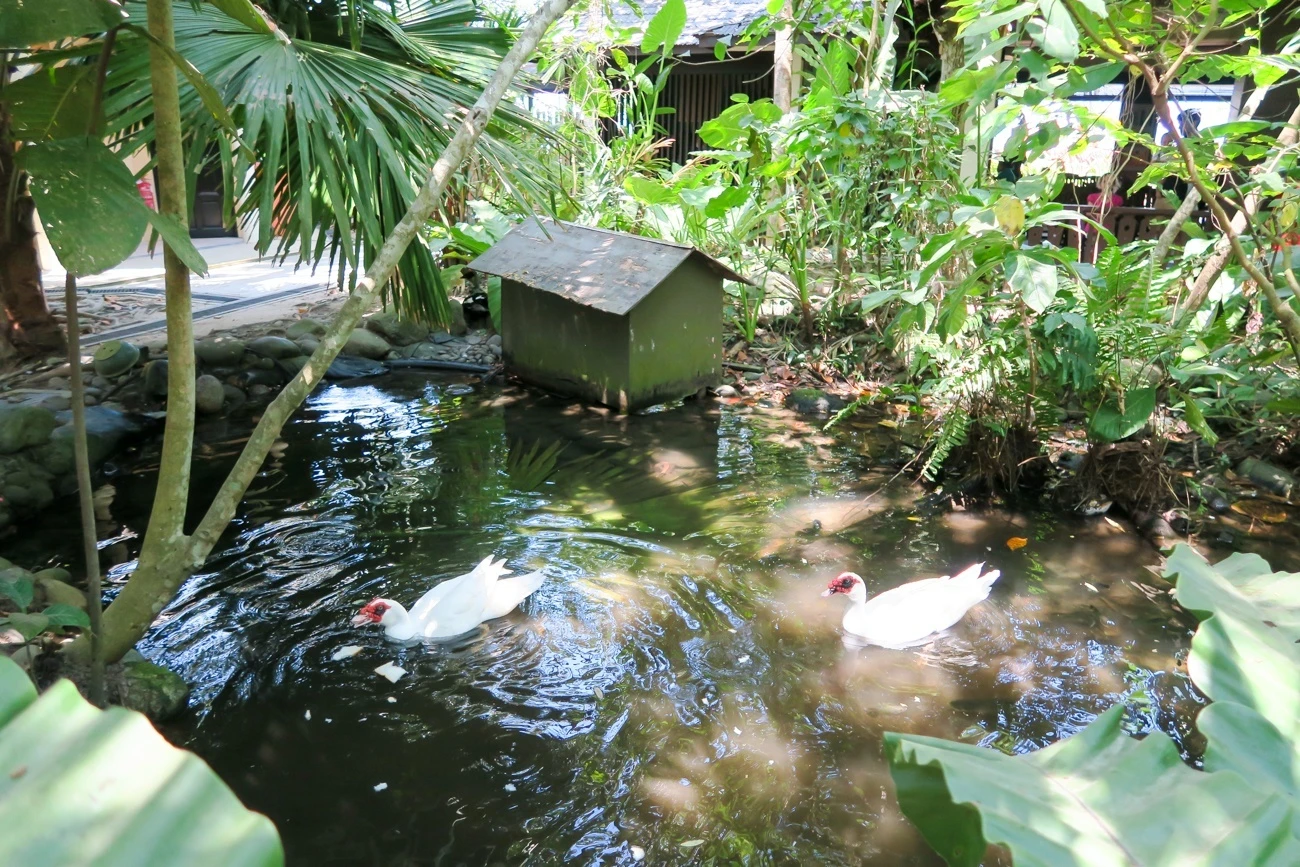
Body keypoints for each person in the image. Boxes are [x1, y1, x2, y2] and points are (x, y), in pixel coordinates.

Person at [1160, 109, 1201, 201]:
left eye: (1181, 124)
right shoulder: (1181, 142)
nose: (1179, 127)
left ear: (1193, 123)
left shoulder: (1202, 142)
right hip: (1178, 181)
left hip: (1192, 181)